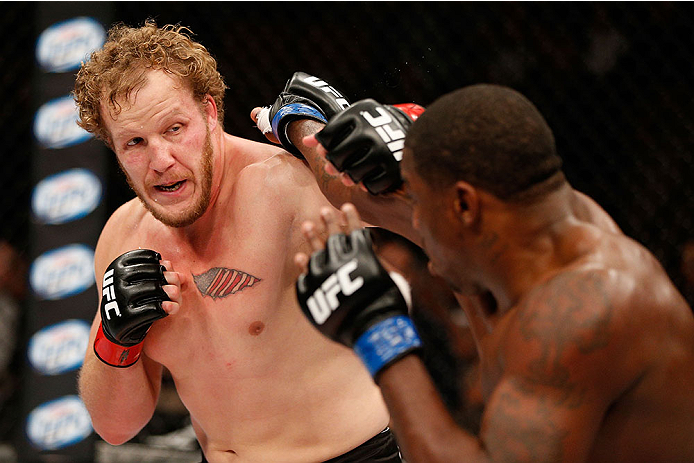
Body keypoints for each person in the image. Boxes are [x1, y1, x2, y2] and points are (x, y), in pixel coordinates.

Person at [277, 84, 694, 462]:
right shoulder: (518, 222)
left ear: (463, 204)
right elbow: (359, 195)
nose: (413, 222)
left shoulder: (582, 310)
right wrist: (301, 121)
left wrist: (377, 331)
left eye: (420, 203)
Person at [72, 22, 404, 462]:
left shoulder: (286, 186)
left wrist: (341, 152)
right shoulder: (122, 238)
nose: (160, 161)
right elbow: (115, 427)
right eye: (135, 142)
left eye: (174, 128)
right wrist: (114, 340)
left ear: (210, 113)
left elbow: (434, 227)